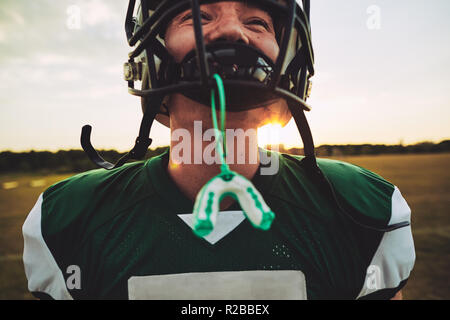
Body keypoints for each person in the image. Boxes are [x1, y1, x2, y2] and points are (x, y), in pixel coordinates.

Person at [22, 0, 415, 300]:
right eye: (200, 15)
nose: (232, 32)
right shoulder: (71, 218)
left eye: (256, 22)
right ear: (151, 54)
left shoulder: (361, 209)